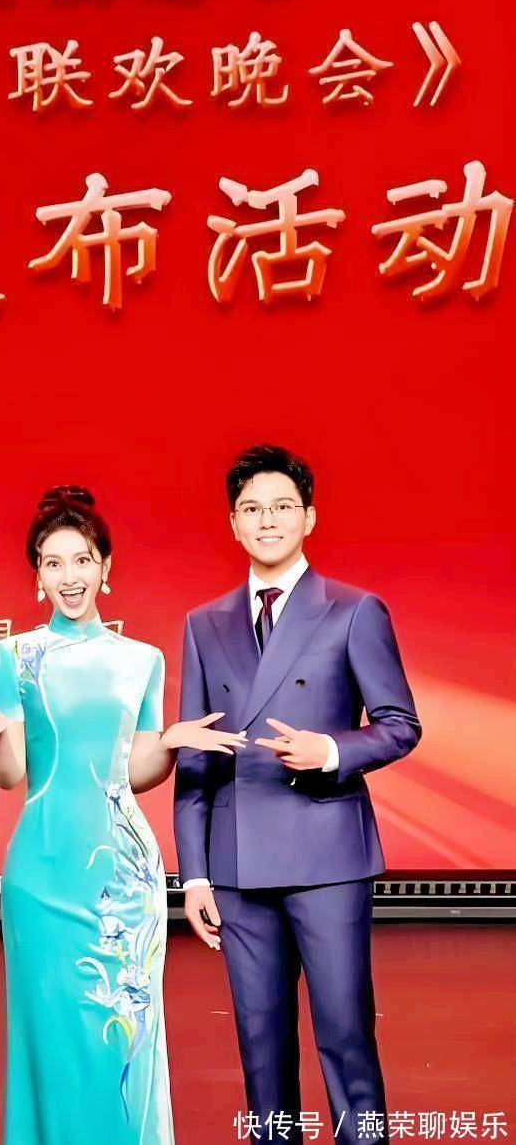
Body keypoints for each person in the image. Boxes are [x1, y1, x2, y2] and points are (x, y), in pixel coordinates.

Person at [0, 486, 244, 1145]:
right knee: (51, 1038)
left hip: (125, 881)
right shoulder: (13, 657)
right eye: (53, 563)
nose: (69, 576)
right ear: (37, 575)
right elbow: (10, 775)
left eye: (81, 560)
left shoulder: (142, 661)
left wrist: (169, 743)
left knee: (121, 1044)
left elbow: (135, 773)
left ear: (106, 567)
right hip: (42, 873)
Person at [174, 445, 422, 1145]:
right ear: (232, 523)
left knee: (345, 1035)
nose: (267, 520)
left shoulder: (353, 610)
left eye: (282, 506)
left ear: (308, 517)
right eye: (251, 509)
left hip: (326, 855)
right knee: (260, 1046)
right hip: (237, 865)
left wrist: (331, 752)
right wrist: (195, 874)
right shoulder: (203, 623)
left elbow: (400, 725)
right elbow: (195, 755)